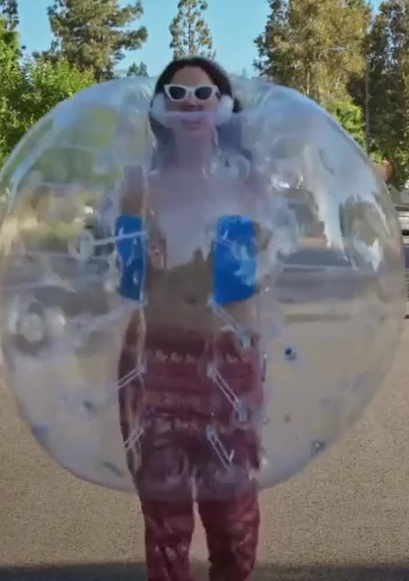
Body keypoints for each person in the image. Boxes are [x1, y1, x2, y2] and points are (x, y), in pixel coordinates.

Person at [114, 56, 272, 581]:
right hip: (153, 358)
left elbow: (261, 271)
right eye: (177, 95)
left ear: (223, 107)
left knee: (232, 515)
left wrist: (247, 244)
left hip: (229, 358)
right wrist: (136, 245)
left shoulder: (249, 182)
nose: (190, 105)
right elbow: (128, 279)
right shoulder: (139, 182)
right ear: (161, 108)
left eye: (203, 95)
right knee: (164, 515)